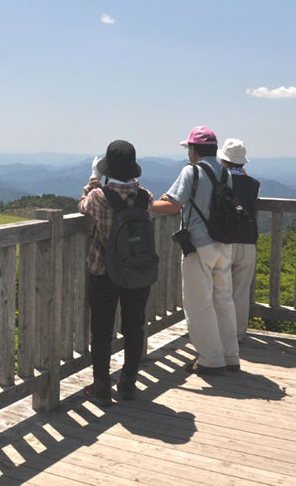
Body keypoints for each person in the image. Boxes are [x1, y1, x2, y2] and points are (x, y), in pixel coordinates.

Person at [151, 126, 240, 375]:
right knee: (223, 300)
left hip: (200, 245)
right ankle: (230, 355)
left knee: (199, 303)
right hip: (224, 242)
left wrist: (145, 202)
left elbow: (171, 205)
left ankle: (211, 359)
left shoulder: (191, 171)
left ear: (193, 149)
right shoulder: (225, 172)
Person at [78, 140, 153, 405]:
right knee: (134, 327)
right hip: (137, 272)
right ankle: (128, 383)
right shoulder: (146, 197)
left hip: (103, 271)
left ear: (108, 168)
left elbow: (83, 205)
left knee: (101, 330)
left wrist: (93, 179)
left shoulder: (98, 197)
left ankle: (101, 386)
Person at [218, 138, 260, 342]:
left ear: (223, 160)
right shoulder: (253, 184)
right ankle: (238, 334)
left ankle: (220, 333)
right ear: (243, 163)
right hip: (248, 240)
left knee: (220, 289)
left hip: (225, 239)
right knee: (241, 292)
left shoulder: (220, 181)